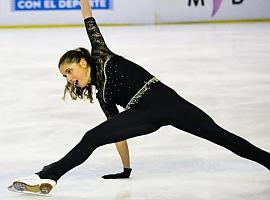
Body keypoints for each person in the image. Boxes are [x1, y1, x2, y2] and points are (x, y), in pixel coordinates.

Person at [9, 0, 270, 195]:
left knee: (219, 134)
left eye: (69, 71)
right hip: (143, 114)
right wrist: (126, 170)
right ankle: (48, 177)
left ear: (82, 62)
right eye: (65, 77)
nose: (69, 79)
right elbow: (116, 133)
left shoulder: (100, 54)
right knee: (93, 137)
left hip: (166, 100)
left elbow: (88, 18)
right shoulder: (103, 96)